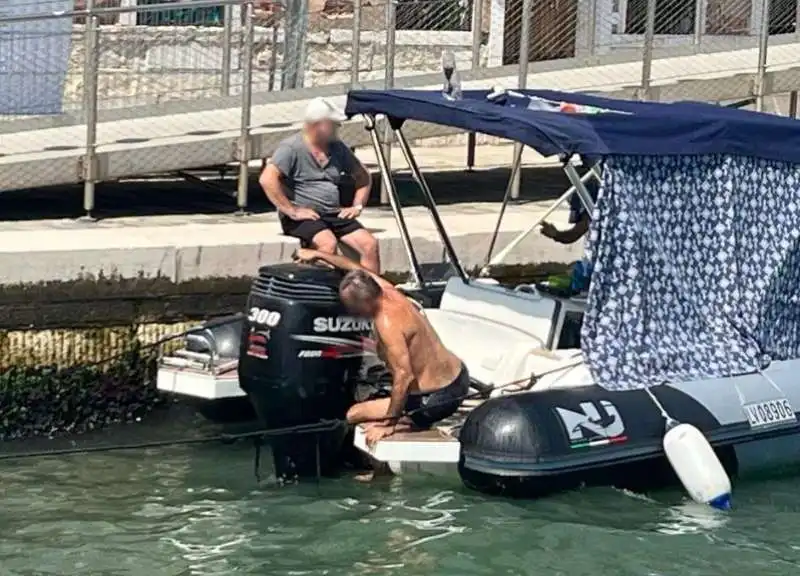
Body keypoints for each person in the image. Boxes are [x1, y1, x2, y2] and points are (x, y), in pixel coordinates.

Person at [293, 247, 470, 447]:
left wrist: (389, 423)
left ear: (365, 302)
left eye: (351, 306)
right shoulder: (386, 290)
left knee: (354, 414)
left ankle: (378, 461)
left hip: (434, 399)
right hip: (458, 376)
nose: (350, 311)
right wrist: (319, 254)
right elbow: (354, 267)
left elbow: (404, 377)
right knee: (374, 406)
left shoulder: (388, 324)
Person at [260, 97, 380, 272]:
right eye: (335, 124)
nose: (339, 128)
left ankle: (376, 294)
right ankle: (319, 292)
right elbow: (267, 179)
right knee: (328, 243)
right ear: (320, 125)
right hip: (306, 217)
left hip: (334, 213)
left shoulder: (337, 147)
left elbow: (363, 176)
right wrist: (291, 211)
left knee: (370, 244)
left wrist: (357, 206)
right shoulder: (291, 148)